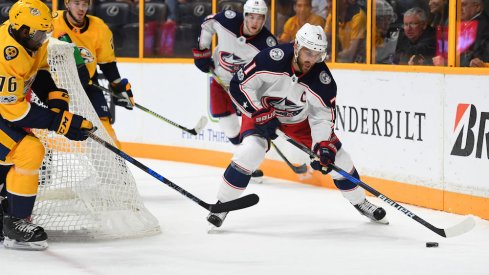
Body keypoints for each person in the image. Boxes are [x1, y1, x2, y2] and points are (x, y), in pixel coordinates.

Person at [207, 23, 388, 228]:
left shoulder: (323, 80)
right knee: (250, 152)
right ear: (296, 46)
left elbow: (322, 117)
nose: (311, 59)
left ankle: (360, 202)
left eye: (317, 54)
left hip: (298, 121)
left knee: (339, 159)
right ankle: (223, 204)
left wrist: (322, 146)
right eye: (308, 52)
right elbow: (240, 86)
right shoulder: (271, 58)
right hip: (261, 111)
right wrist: (259, 113)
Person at [0, 0, 93, 250]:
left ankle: (8, 216)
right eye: (39, 34)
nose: (43, 39)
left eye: (45, 33)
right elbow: (15, 112)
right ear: (21, 30)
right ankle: (15, 222)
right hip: (6, 110)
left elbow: (38, 71)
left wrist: (53, 96)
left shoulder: (30, 40)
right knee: (28, 150)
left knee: (14, 155)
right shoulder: (5, 52)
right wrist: (60, 122)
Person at [192, 0, 278, 179]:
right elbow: (207, 24)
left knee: (252, 131)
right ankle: (245, 156)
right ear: (245, 15)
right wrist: (202, 50)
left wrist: (268, 104)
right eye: (252, 17)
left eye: (260, 18)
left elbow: (273, 76)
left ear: (265, 19)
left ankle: (248, 163)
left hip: (247, 89)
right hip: (219, 80)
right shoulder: (227, 21)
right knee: (230, 129)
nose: (255, 22)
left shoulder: (267, 44)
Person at [51, 0, 135, 148]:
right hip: (55, 85)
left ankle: (116, 166)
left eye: (84, 4)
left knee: (104, 127)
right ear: (67, 4)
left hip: (87, 83)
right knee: (43, 129)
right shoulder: (52, 22)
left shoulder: (99, 27)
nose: (81, 9)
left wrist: (118, 86)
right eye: (76, 3)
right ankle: (43, 165)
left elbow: (107, 63)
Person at [458, 0, 489, 67]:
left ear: (477, 7)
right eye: (458, 6)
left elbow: (475, 57)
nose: (459, 9)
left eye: (463, 5)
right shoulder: (469, 23)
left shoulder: (481, 25)